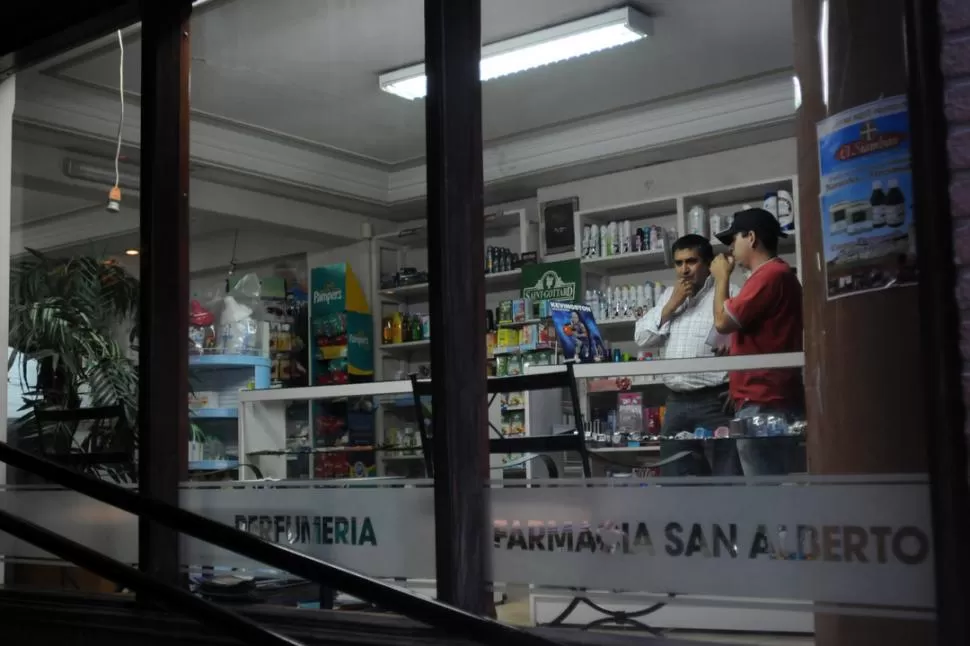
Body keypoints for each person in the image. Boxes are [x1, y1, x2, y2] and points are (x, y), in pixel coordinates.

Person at [635, 234, 740, 475]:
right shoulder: (670, 297)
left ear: (709, 264)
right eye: (679, 263)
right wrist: (671, 304)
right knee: (677, 478)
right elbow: (641, 338)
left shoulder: (730, 291)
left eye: (691, 261)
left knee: (728, 476)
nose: (684, 270)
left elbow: (749, 343)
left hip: (716, 402)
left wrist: (740, 382)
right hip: (676, 402)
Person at [711, 208, 804, 475]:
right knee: (772, 489)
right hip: (764, 398)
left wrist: (721, 278)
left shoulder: (769, 275)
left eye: (733, 239)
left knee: (766, 494)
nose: (730, 247)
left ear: (751, 237)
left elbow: (722, 321)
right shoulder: (779, 275)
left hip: (766, 402)